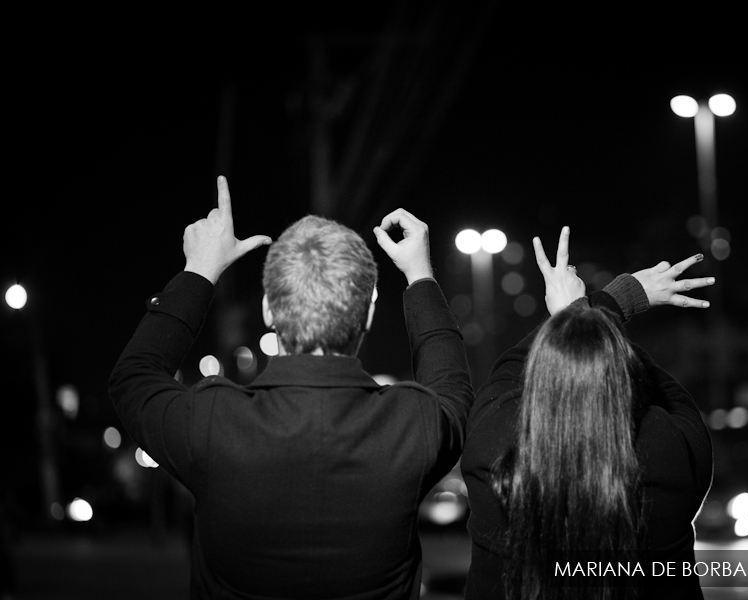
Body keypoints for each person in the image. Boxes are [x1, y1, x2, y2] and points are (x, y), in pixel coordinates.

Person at [109, 177, 473, 599]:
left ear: (268, 309)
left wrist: (200, 271)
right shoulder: (414, 426)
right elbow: (454, 388)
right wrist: (420, 275)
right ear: (367, 317)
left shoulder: (212, 421)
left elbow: (134, 376)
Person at [461, 226, 715, 599]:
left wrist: (604, 305)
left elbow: (507, 371)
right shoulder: (674, 456)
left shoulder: (491, 451)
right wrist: (587, 314)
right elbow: (668, 393)